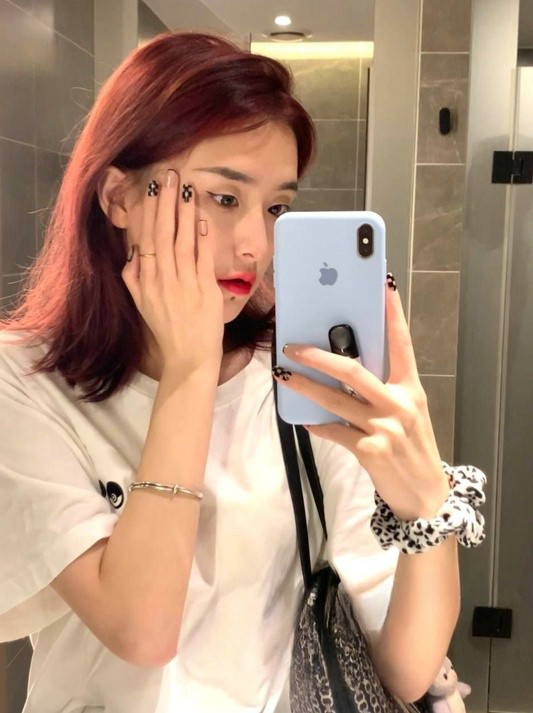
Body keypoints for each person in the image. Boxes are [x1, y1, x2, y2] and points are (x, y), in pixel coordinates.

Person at [0, 31, 484, 713]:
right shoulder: (24, 379)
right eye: (224, 198)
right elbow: (142, 630)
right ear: (118, 197)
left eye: (276, 207)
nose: (257, 243)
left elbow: (405, 673)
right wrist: (190, 367)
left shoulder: (299, 379)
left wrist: (427, 502)